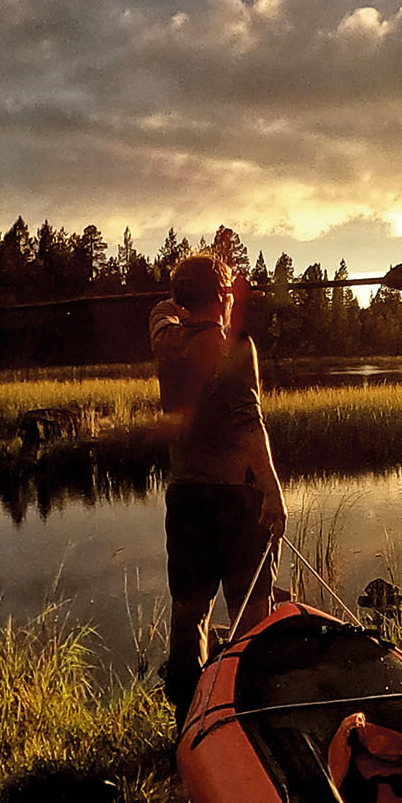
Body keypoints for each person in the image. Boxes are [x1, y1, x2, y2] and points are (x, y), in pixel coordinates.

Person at [149, 253, 287, 719]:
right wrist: (272, 491)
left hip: (185, 495)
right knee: (251, 609)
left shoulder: (166, 340)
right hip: (236, 497)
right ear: (222, 298)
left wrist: (187, 293)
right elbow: (251, 424)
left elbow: (161, 313)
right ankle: (252, 713)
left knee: (190, 611)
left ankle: (190, 716)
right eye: (227, 292)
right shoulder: (235, 348)